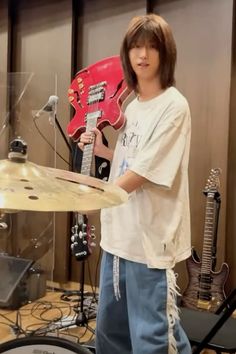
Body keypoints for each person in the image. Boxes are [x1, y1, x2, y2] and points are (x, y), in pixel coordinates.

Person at [78, 13, 192, 354]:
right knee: (111, 334)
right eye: (136, 47)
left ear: (165, 53)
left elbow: (145, 173)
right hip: (118, 236)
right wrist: (103, 151)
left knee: (151, 337)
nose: (143, 55)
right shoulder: (132, 105)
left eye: (152, 47)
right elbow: (132, 160)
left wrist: (95, 197)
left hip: (149, 240)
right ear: (127, 54)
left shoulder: (174, 105)